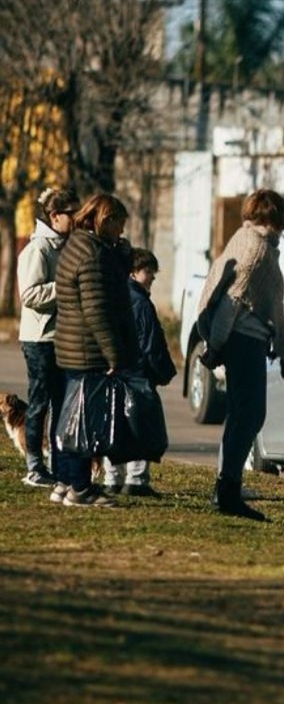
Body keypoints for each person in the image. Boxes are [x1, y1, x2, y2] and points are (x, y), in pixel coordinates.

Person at [195, 189, 284, 522]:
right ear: (277, 216)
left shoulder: (250, 240)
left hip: (247, 340)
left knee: (243, 415)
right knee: (249, 415)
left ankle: (227, 484)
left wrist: (281, 345)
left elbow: (269, 301)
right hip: (243, 341)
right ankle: (227, 488)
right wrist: (215, 347)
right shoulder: (257, 249)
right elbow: (231, 303)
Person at [53, 193, 139, 508]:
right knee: (83, 424)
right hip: (88, 349)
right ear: (106, 220)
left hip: (72, 345)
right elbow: (96, 310)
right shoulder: (91, 255)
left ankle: (64, 482)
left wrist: (122, 252)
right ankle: (80, 489)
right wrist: (113, 354)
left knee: (70, 418)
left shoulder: (78, 245)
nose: (121, 231)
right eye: (119, 224)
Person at [16, 187, 80, 489]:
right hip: (39, 338)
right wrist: (64, 287)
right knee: (39, 402)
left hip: (62, 337)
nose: (77, 218)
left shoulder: (67, 246)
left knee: (61, 403)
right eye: (72, 213)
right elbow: (29, 294)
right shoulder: (38, 249)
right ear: (55, 216)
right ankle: (34, 466)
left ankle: (57, 462)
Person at [101, 248, 177, 497]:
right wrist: (161, 371)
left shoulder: (115, 296)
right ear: (134, 272)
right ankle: (136, 480)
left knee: (115, 426)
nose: (152, 277)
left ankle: (112, 478)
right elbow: (151, 344)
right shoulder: (142, 304)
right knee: (140, 427)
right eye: (148, 271)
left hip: (115, 372)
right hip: (138, 373)